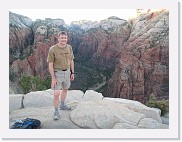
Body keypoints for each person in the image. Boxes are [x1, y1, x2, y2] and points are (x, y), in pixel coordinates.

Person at [47, 31, 74, 120]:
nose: (64, 39)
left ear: (67, 38)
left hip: (67, 72)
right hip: (57, 73)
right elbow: (50, 64)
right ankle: (56, 111)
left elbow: (71, 60)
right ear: (58, 38)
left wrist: (72, 72)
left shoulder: (69, 47)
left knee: (65, 90)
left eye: (65, 38)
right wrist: (53, 78)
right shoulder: (53, 49)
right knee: (56, 93)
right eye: (62, 38)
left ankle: (62, 105)